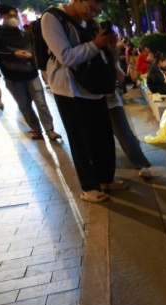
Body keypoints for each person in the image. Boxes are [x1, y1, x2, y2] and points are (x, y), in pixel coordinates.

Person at [42, 0, 123, 204]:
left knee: (103, 137)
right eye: (90, 8)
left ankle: (105, 179)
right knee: (81, 141)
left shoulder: (91, 22)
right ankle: (89, 188)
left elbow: (99, 53)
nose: (93, 13)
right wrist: (96, 44)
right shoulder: (53, 18)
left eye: (98, 11)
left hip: (94, 86)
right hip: (69, 90)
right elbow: (65, 57)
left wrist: (109, 46)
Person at [0, 4, 61, 140]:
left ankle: (50, 130)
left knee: (41, 102)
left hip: (31, 73)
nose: (13, 18)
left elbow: (35, 50)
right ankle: (36, 130)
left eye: (14, 15)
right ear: (1, 16)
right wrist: (14, 54)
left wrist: (32, 57)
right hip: (12, 77)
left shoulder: (24, 34)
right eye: (9, 15)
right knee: (24, 105)